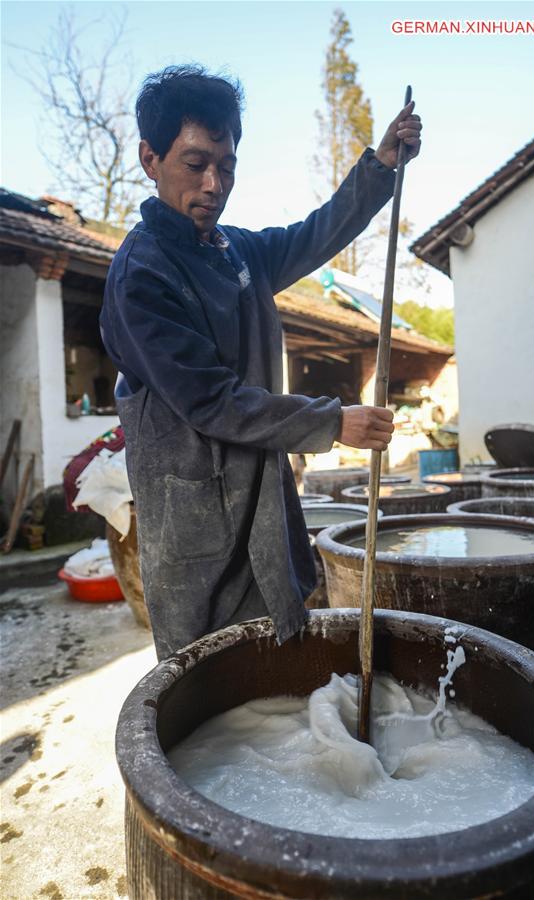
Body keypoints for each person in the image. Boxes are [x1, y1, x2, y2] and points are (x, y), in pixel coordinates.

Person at [100, 65, 423, 660]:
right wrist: (333, 422)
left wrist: (380, 168)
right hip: (194, 519)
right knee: (210, 671)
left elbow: (316, 233)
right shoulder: (142, 276)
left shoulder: (236, 250)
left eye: (227, 167)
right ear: (151, 159)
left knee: (279, 658)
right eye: (195, 165)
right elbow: (211, 401)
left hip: (262, 501)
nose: (214, 184)